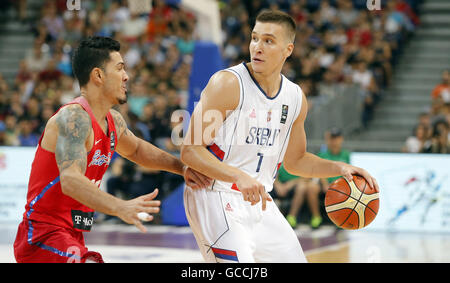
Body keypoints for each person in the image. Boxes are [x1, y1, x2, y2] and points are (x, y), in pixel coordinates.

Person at [180, 10, 379, 263]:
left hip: (260, 201)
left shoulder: (295, 97)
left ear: (288, 49)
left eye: (268, 41)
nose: (258, 47)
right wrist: (238, 176)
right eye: (255, 38)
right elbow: (190, 150)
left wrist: (339, 167)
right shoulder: (227, 84)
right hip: (215, 197)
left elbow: (296, 161)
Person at [13, 36, 211, 263]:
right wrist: (120, 207)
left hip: (71, 235)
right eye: (119, 68)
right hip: (42, 235)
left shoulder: (113, 121)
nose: (126, 76)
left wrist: (183, 168)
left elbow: (137, 150)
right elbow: (70, 180)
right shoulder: (74, 117)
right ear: (98, 75)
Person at [272, 163, 323, 229]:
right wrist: (278, 185)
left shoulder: (301, 157)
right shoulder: (280, 157)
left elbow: (307, 177)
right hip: (280, 185)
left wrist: (291, 183)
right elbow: (272, 173)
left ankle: (292, 217)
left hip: (297, 183)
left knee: (302, 187)